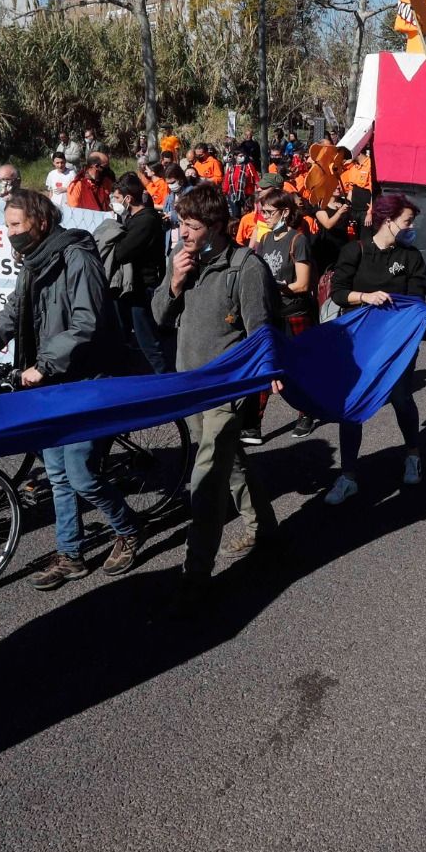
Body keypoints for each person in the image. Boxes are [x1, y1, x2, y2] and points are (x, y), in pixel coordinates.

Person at [0, 189, 143, 588]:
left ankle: (128, 528)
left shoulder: (76, 255)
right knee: (57, 473)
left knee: (79, 473)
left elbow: (87, 321)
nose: (10, 234)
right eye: (6, 225)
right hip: (54, 382)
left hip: (88, 380)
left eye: (15, 225)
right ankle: (71, 555)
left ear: (40, 222)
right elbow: (15, 311)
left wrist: (43, 364)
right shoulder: (34, 261)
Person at [152, 182, 280, 581]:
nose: (183, 233)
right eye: (180, 224)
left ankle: (195, 577)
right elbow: (159, 316)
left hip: (228, 391)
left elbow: (261, 332)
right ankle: (266, 529)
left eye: (191, 226)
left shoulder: (245, 268)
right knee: (231, 461)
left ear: (216, 225)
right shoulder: (181, 258)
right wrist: (174, 283)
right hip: (190, 384)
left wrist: (270, 374)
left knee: (205, 478)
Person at [326, 193, 426, 503]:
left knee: (400, 397)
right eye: (407, 222)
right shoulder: (354, 250)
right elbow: (338, 292)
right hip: (359, 342)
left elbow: (417, 299)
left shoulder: (411, 257)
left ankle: (413, 453)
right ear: (388, 221)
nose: (412, 228)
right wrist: (365, 297)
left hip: (398, 341)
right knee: (352, 405)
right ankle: (348, 475)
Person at [249, 186, 318, 439]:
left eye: (268, 211)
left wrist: (278, 286)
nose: (264, 216)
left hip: (295, 312)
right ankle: (254, 422)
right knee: (265, 365)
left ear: (285, 212)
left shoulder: (298, 240)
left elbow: (302, 284)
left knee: (299, 366)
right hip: (272, 313)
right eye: (262, 211)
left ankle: (306, 412)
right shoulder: (266, 239)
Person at [105, 174, 170, 375]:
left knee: (147, 339)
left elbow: (123, 252)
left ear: (128, 198)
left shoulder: (146, 220)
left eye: (117, 198)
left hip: (142, 288)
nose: (115, 203)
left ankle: (165, 381)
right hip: (130, 288)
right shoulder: (133, 218)